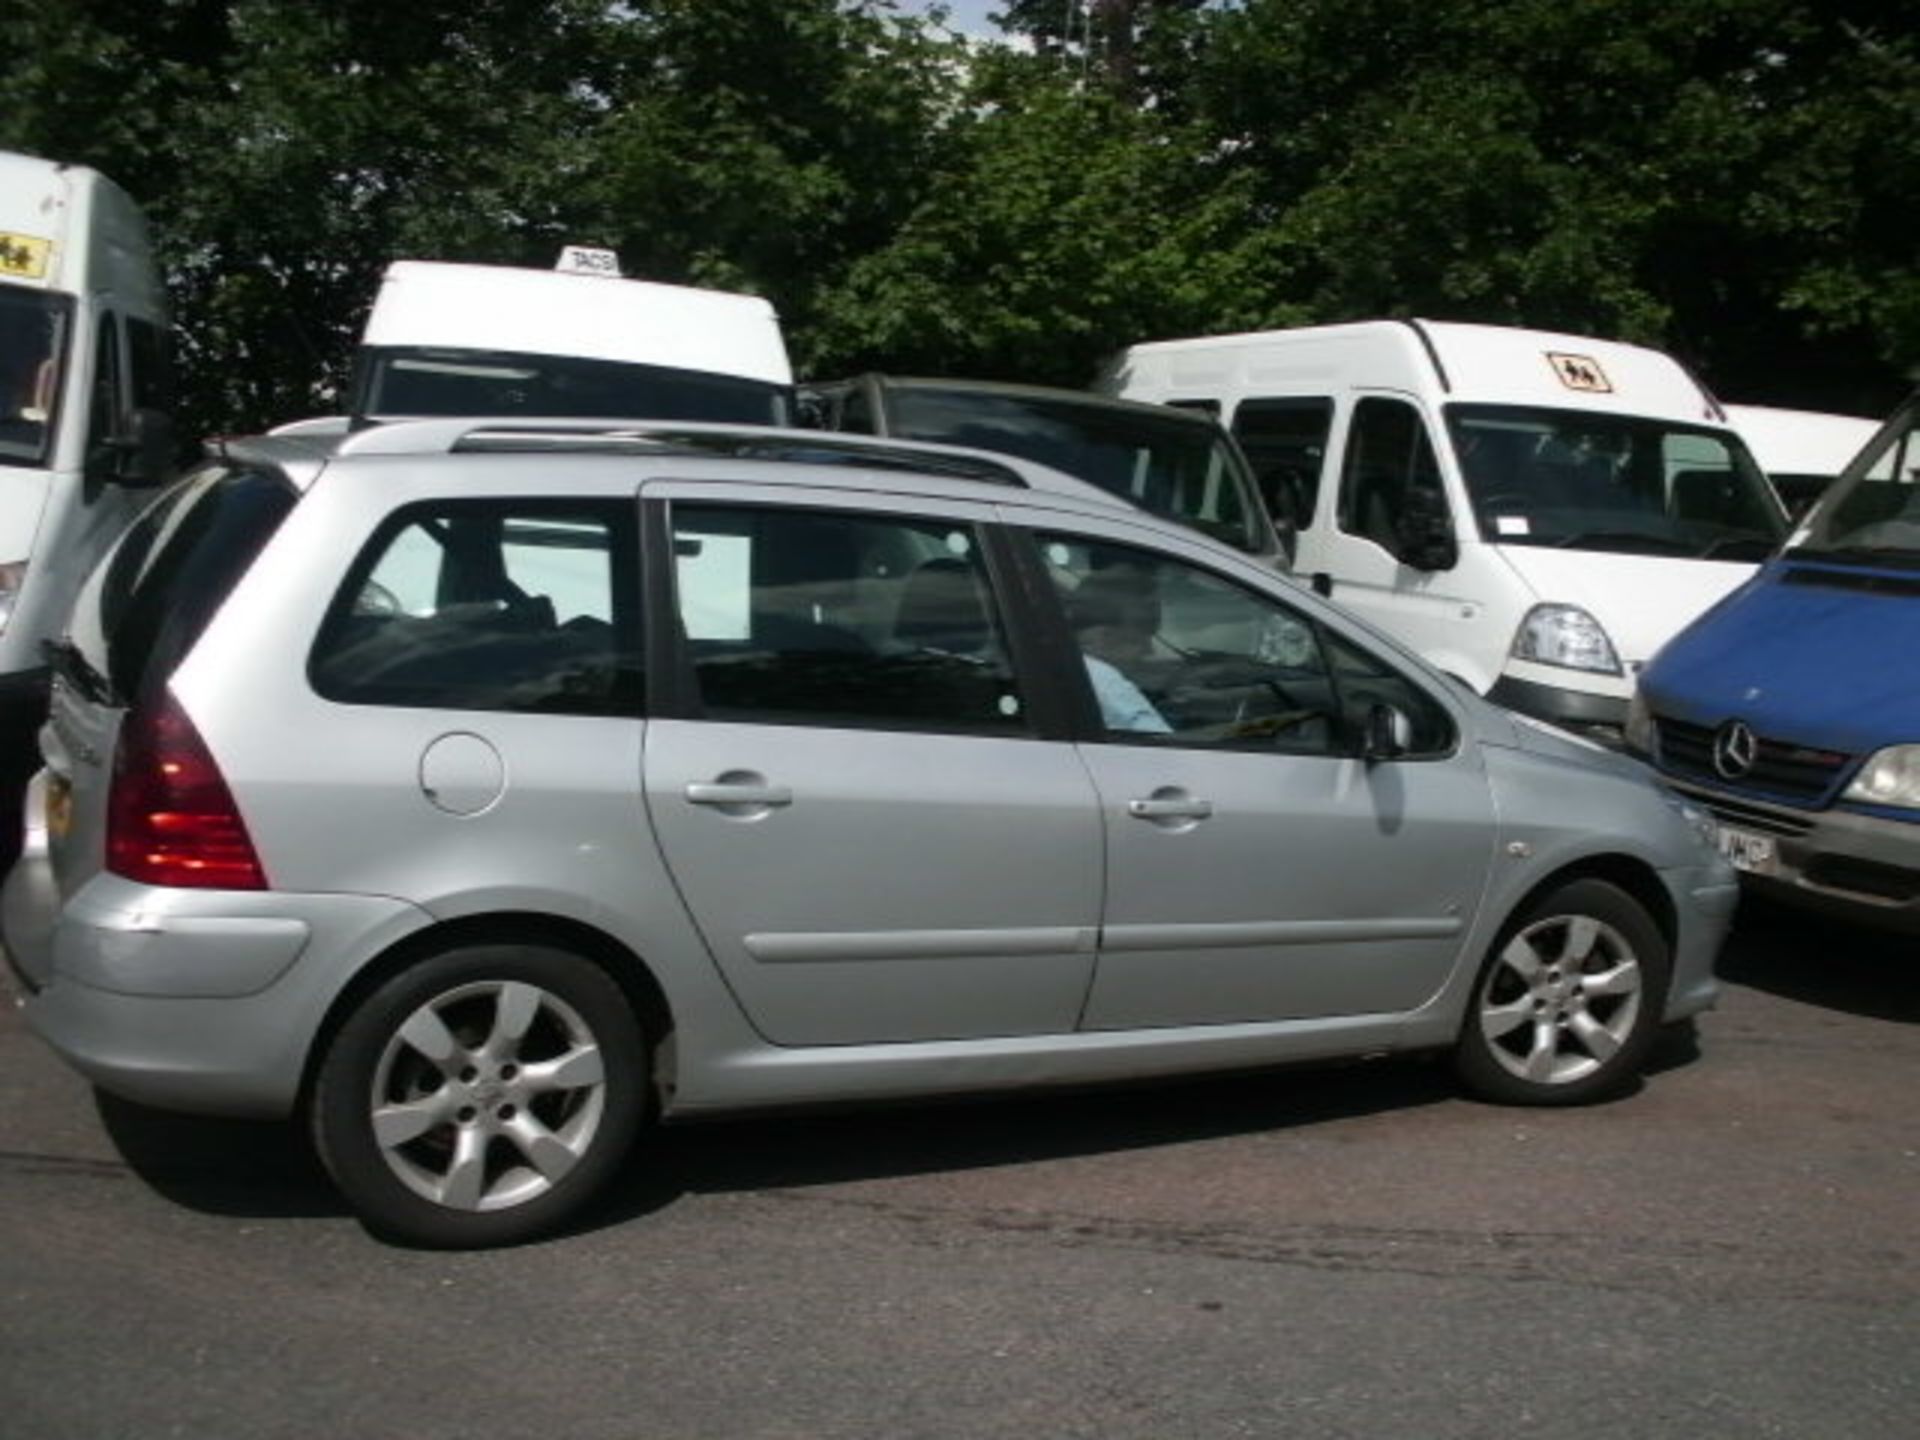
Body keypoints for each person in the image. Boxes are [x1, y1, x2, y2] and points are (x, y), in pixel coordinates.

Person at [1069, 571, 1172, 735]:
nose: (1149, 650)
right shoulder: (1105, 683)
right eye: (1139, 639)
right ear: (1103, 636)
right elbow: (1168, 751)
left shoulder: (1071, 671)